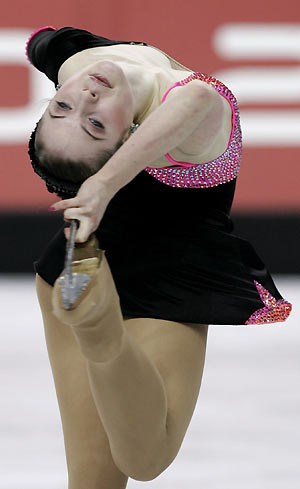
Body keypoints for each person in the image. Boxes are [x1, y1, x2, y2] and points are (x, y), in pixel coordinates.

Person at [26, 26, 292, 488]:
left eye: (61, 108)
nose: (86, 96)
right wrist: (106, 183)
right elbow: (200, 100)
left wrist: (42, 45)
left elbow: (42, 44)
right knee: (123, 468)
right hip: (146, 281)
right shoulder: (186, 132)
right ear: (131, 139)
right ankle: (101, 333)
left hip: (81, 272)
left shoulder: (73, 66)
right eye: (95, 124)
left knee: (119, 471)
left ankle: (99, 330)